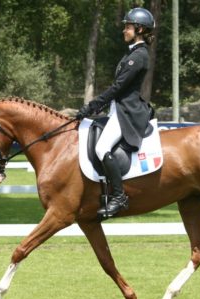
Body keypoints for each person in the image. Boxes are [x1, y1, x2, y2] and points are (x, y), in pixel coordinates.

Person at [77, 7, 155, 217]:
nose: (124, 30)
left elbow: (118, 88)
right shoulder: (132, 54)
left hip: (127, 113)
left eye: (128, 27)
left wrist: (92, 106)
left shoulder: (138, 56)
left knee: (102, 148)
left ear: (139, 29)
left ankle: (119, 197)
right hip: (118, 110)